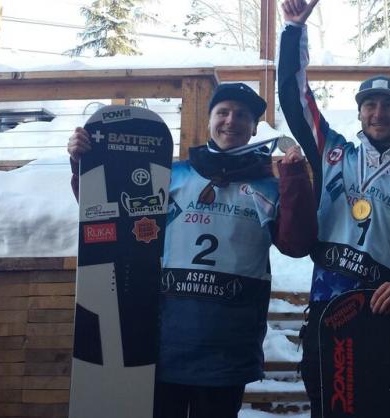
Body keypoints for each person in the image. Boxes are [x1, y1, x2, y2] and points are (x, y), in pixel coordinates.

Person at [67, 83, 317, 418]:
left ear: (255, 128)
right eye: (223, 112)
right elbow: (114, 217)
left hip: (228, 345)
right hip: (163, 340)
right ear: (209, 120)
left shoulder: (269, 186)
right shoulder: (174, 175)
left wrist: (295, 176)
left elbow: (297, 244)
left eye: (242, 115)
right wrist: (83, 161)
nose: (232, 120)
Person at [278, 0, 390, 418]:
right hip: (327, 311)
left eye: (388, 105)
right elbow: (295, 99)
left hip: (383, 312)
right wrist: (294, 32)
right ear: (359, 113)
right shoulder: (333, 152)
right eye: (369, 105)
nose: (378, 113)